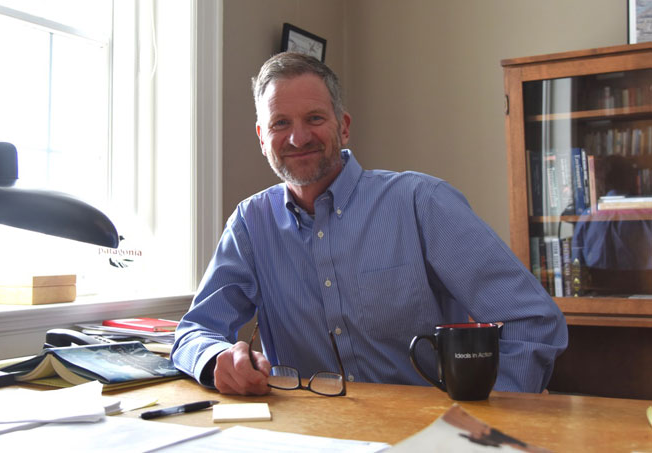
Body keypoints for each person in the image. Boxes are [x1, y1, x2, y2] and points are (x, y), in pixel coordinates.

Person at [171, 52, 568, 396]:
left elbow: (532, 320)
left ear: (343, 126)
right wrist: (217, 358)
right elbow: (193, 332)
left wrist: (491, 413)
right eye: (279, 124)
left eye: (314, 118)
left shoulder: (420, 202)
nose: (298, 137)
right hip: (309, 435)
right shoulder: (250, 223)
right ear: (262, 137)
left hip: (428, 437)